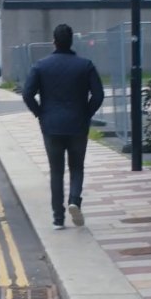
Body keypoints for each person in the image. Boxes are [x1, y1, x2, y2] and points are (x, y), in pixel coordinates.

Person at [22, 24, 105, 230]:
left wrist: (40, 113)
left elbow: (27, 94)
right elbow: (99, 94)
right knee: (76, 167)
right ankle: (74, 200)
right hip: (78, 124)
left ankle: (58, 218)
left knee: (56, 171)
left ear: (54, 41)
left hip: (51, 126)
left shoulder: (41, 66)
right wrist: (87, 113)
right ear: (71, 41)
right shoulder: (85, 65)